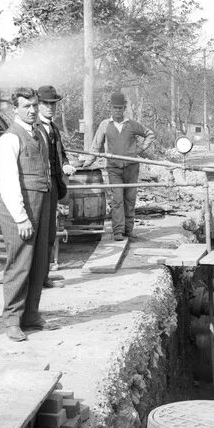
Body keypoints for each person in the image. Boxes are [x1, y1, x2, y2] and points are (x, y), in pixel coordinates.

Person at [0, 87, 54, 341]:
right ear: (14, 108)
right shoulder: (9, 139)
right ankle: (12, 320)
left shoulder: (40, 132)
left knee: (39, 262)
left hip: (42, 204)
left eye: (34, 105)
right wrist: (21, 217)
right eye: (26, 106)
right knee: (20, 263)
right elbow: (8, 182)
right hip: (19, 208)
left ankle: (31, 315)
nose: (31, 110)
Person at [85, 92, 156, 240]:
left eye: (120, 108)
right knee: (117, 199)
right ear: (110, 108)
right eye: (115, 107)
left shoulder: (132, 124)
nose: (117, 110)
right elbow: (96, 146)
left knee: (130, 199)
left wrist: (140, 149)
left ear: (124, 108)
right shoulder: (105, 125)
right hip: (114, 169)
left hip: (131, 168)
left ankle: (128, 230)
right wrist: (87, 162)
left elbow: (150, 134)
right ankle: (118, 231)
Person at [36, 85, 76, 289]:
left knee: (50, 232)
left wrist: (66, 163)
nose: (50, 108)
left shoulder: (54, 127)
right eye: (46, 104)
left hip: (53, 183)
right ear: (38, 105)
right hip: (39, 186)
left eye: (53, 104)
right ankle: (36, 279)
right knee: (40, 233)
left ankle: (44, 277)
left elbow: (60, 153)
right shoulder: (34, 128)